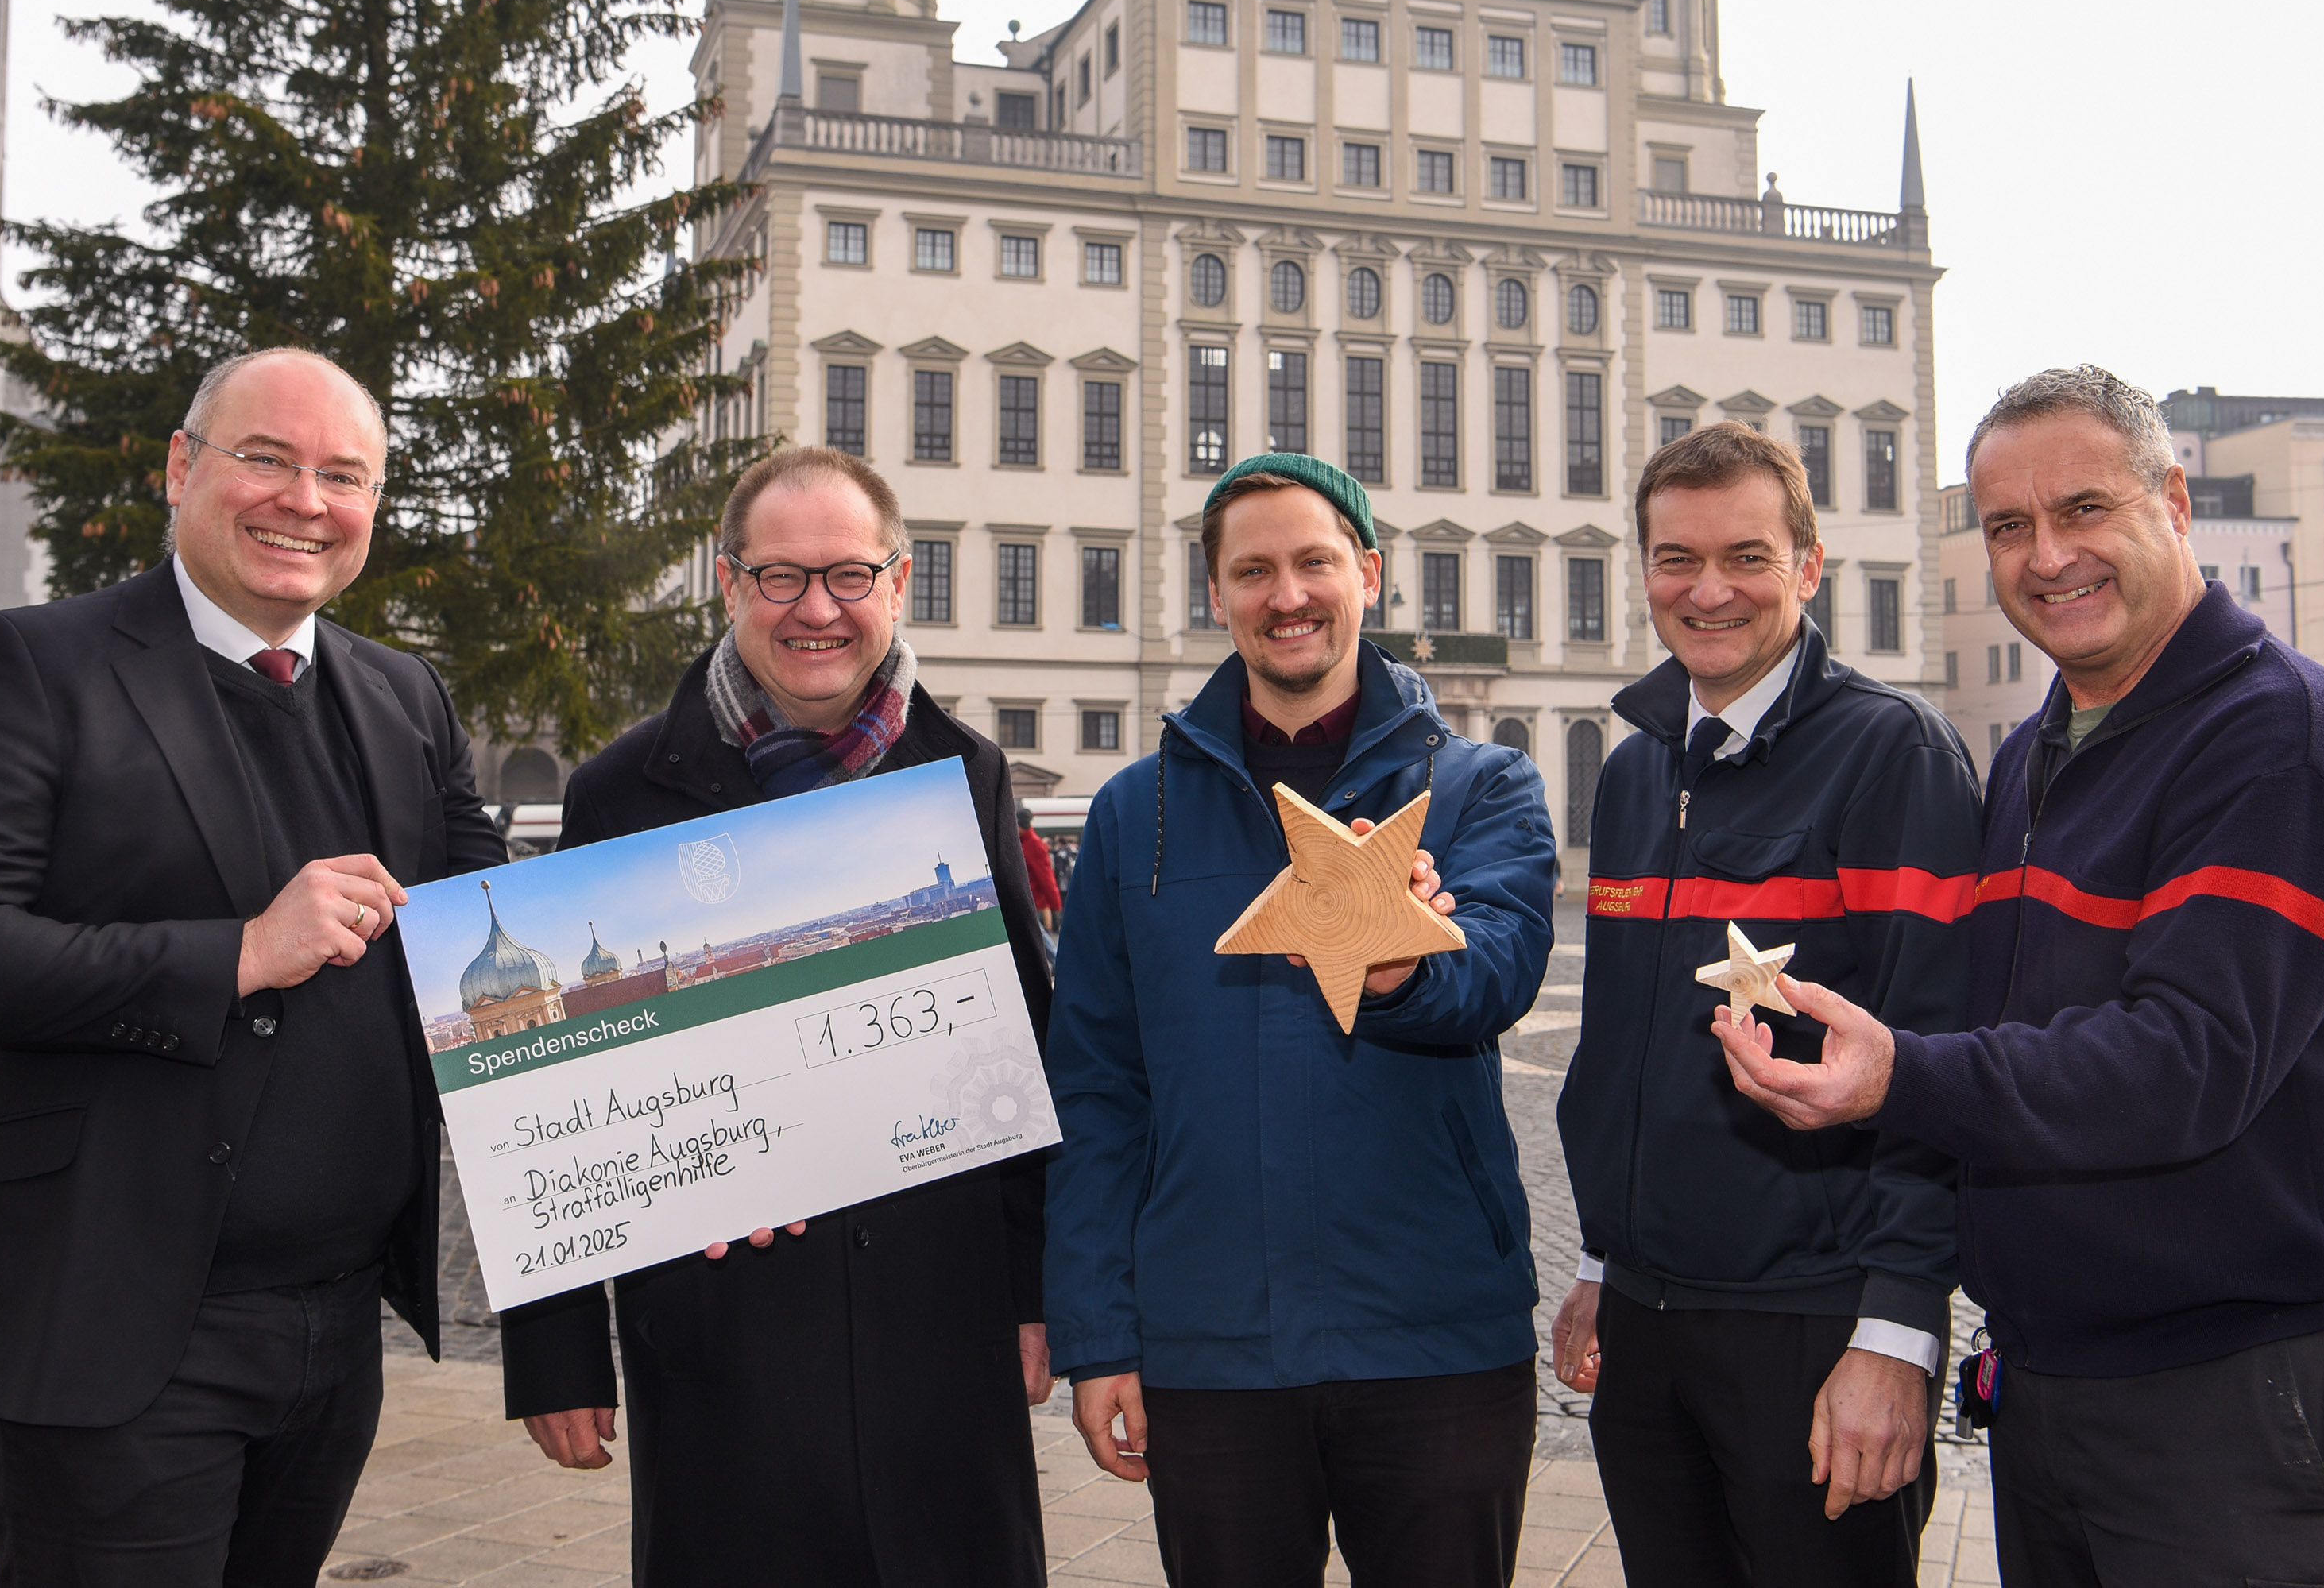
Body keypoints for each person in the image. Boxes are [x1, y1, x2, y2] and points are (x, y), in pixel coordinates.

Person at [1714, 367, 2324, 1587]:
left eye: (2082, 509)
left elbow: (2186, 1064)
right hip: (2067, 1375)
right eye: (2007, 526)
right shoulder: (2041, 748)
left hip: (2246, 1380)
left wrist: (1900, 1073)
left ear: (2171, 501)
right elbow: (2015, 1037)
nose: (2046, 555)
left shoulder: (2283, 741)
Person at [0, 348, 508, 1586]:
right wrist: (238, 955)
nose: (303, 500)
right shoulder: (28, 663)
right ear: (181, 466)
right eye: (265, 457)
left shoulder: (404, 694)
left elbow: (510, 910)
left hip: (332, 1325)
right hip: (102, 1315)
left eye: (343, 474)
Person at [499, 445, 1057, 1587]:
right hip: (722, 1332)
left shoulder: (967, 769)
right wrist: (554, 1352)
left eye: (849, 575)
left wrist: (1040, 1292)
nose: (817, 609)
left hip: (937, 1321)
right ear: (725, 583)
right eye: (779, 577)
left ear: (897, 583)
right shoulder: (620, 790)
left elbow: (1030, 1047)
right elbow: (549, 1088)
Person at [1046, 455, 1557, 1588]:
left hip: (1433, 1336)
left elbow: (1500, 973)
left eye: (1314, 561)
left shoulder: (1481, 785)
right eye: (1253, 570)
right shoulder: (1138, 812)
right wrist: (1096, 1332)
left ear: (1367, 574)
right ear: (1215, 594)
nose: (1288, 594)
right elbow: (1093, 1084)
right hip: (1208, 1344)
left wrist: (1395, 967)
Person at [1553, 423, 1981, 1586]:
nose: (1707, 590)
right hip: (1644, 1321)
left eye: (1744, 555)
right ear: (1640, 568)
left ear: (1807, 563)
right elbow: (1621, 1044)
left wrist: (1896, 1329)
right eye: (1674, 558)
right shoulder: (1635, 763)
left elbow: (1938, 1049)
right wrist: (1599, 1256)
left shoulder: (1893, 753)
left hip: (1812, 1320)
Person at [1019, 802, 1063, 933]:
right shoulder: (1028, 842)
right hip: (1030, 899)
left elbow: (1046, 876)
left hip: (1031, 900)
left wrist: (1056, 904)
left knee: (1043, 943)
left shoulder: (1034, 844)